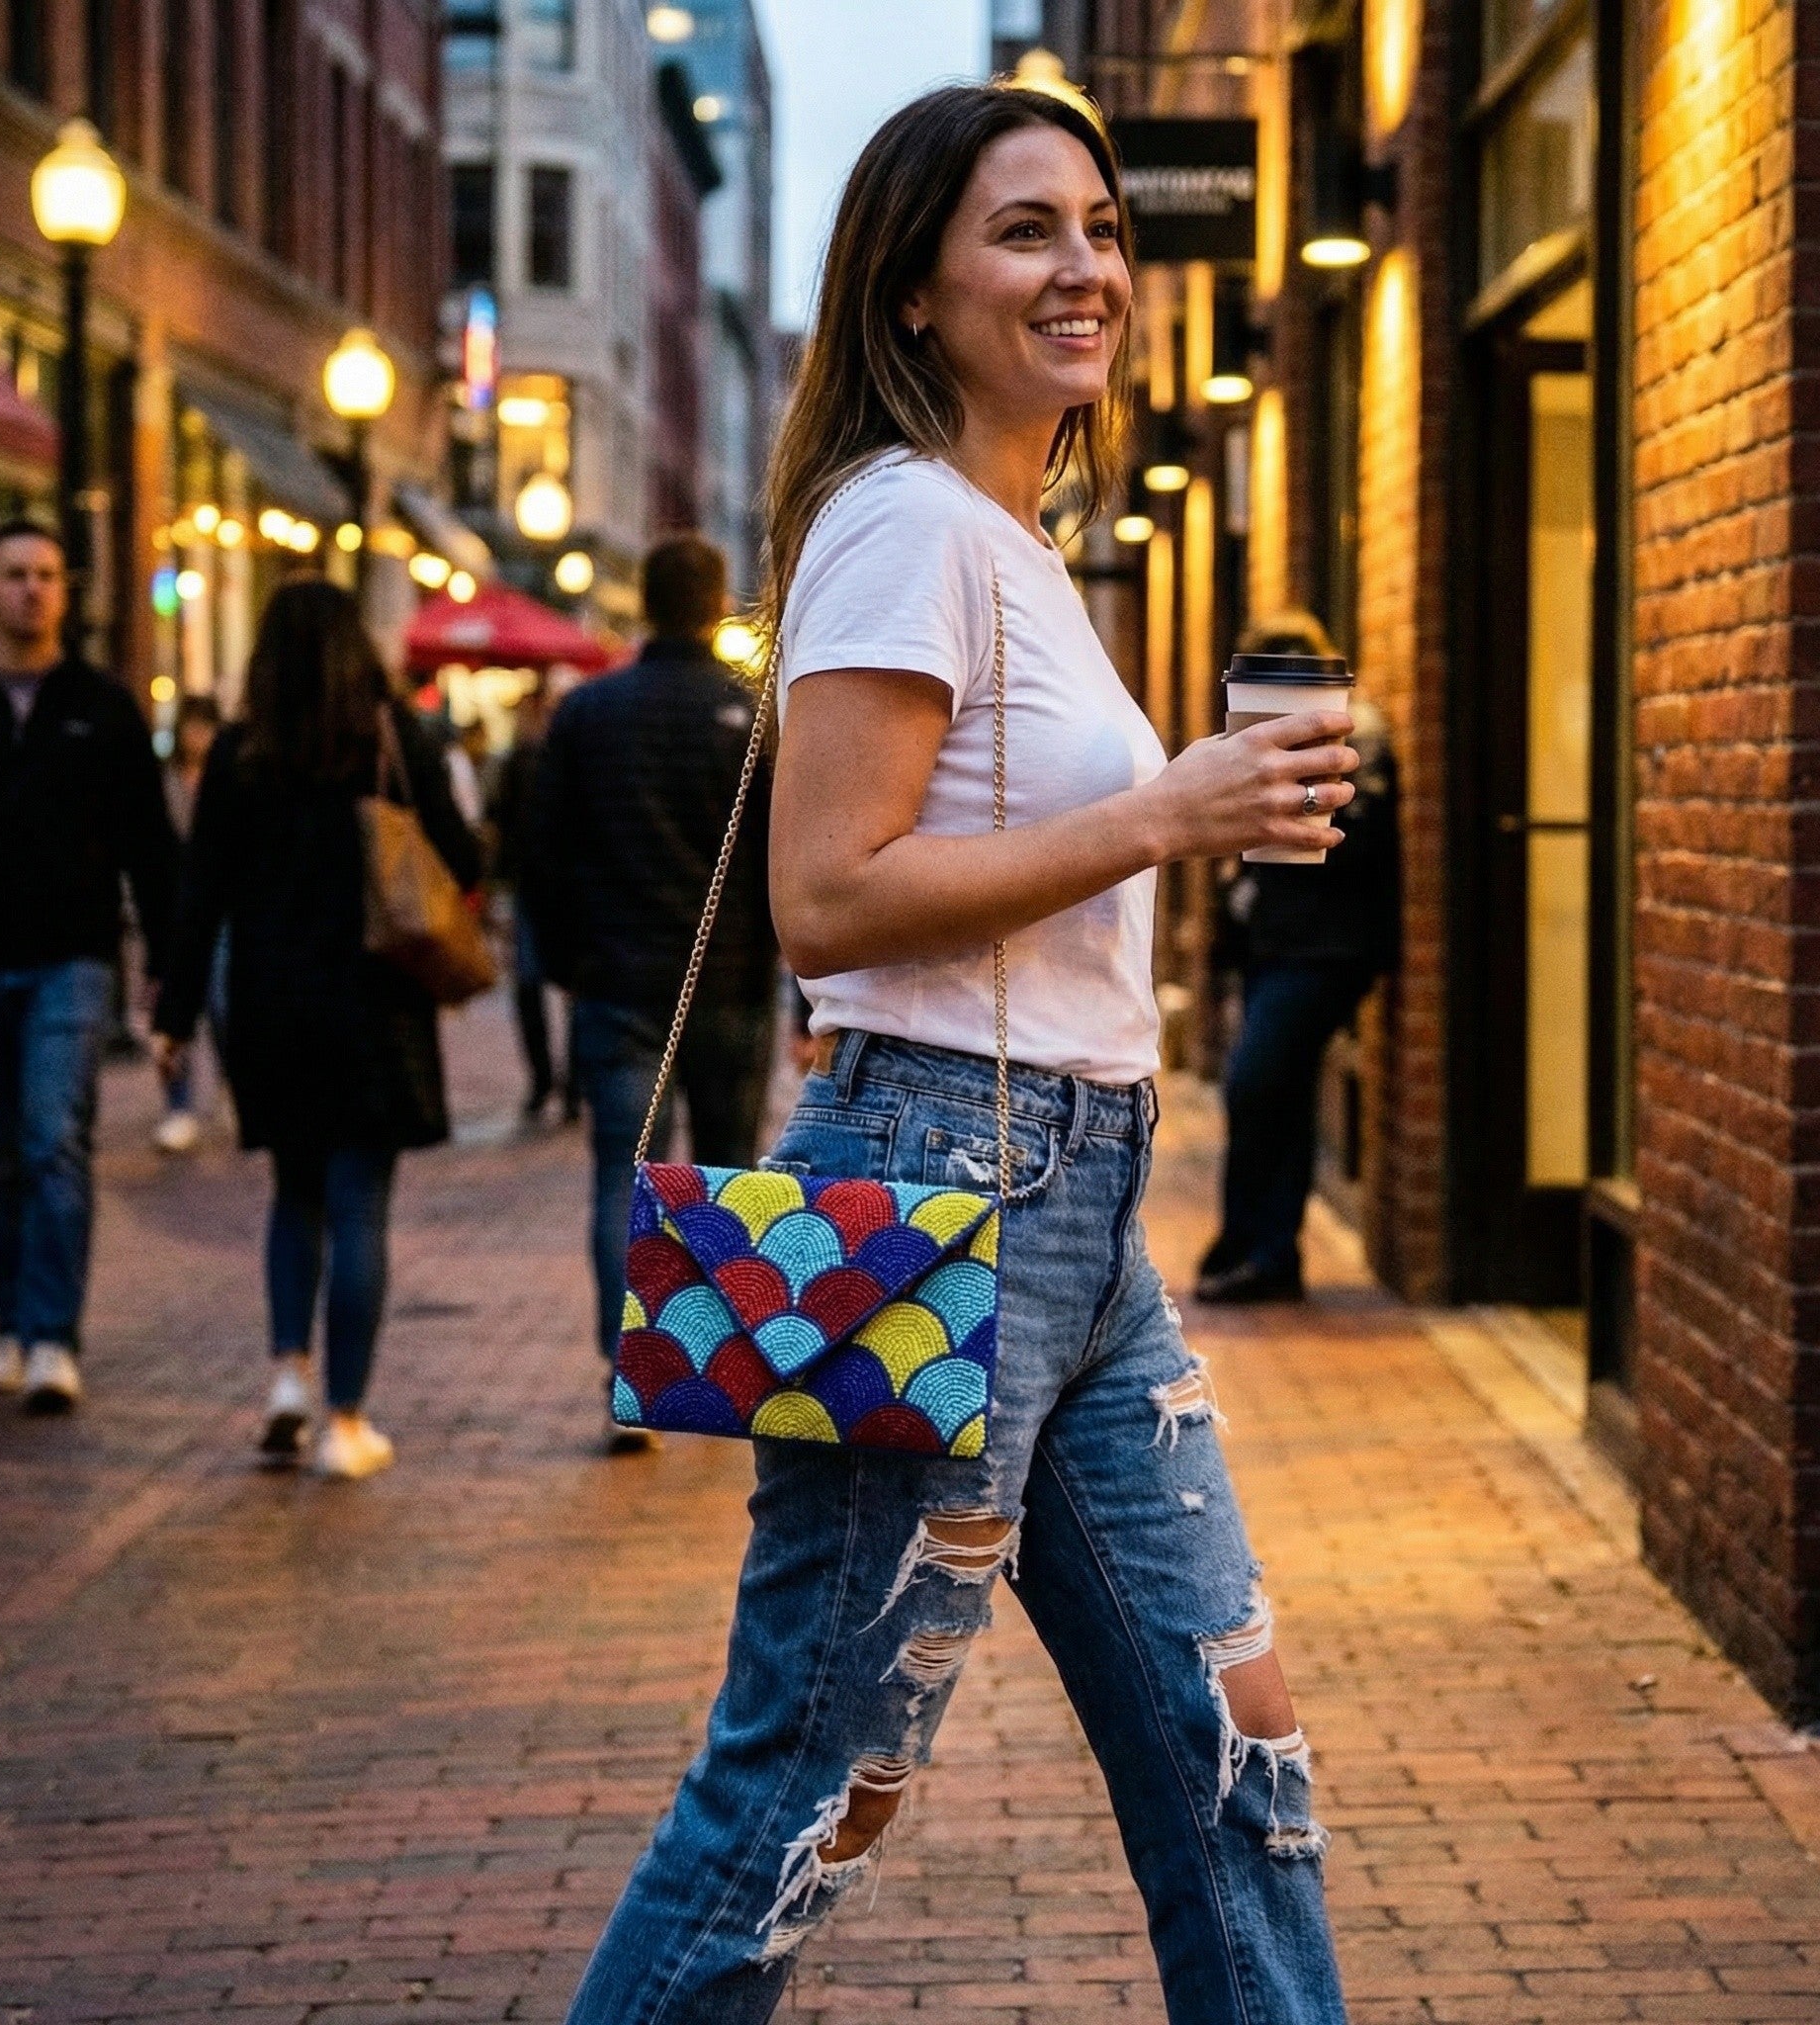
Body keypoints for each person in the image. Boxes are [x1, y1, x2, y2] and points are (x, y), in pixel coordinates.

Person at [565, 83, 1357, 2024]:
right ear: (914, 290)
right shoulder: (904, 522)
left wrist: (1193, 808)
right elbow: (824, 899)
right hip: (934, 1188)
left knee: (1233, 1755)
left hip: (1075, 1211)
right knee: (811, 1780)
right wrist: (1166, 815)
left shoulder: (1013, 544)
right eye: (1024, 230)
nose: (1083, 264)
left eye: (1100, 224)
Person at [152, 581, 481, 1479]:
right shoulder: (388, 737)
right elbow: (464, 853)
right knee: (359, 1204)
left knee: (294, 1194)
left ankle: (289, 1374)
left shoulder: (238, 752)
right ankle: (346, 1420)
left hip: (267, 1006)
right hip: (374, 1007)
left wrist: (173, 1017)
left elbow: (199, 897)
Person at [523, 532, 778, 1448]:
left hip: (620, 987)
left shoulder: (590, 713)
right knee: (723, 1179)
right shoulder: (749, 715)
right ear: (716, 607)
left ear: (646, 600)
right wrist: (786, 989)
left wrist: (568, 962)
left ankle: (625, 1374)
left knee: (621, 1179)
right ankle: (715, 1371)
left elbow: (541, 855)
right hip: (728, 987)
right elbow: (772, 864)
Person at [0, 521, 178, 1412]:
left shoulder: (102, 705)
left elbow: (151, 846)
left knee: (54, 1136)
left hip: (74, 958)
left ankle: (54, 1336)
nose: (32, 591)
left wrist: (167, 967)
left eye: (48, 576)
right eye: (16, 575)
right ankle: (11, 1326)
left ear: (67, 590)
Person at [1196, 612, 1401, 1304]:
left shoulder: (1356, 736)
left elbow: (1356, 844)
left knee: (1256, 1084)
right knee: (1269, 1093)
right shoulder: (1267, 739)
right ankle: (1254, 1247)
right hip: (1275, 941)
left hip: (1327, 947)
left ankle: (1262, 1246)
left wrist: (1294, 798)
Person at [487, 675, 572, 1121]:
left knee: (531, 985)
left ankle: (546, 1082)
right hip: (558, 888)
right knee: (554, 988)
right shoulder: (542, 758)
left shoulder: (522, 759)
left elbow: (499, 823)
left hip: (532, 886)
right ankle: (564, 1085)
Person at [154, 695, 224, 1154]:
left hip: (220, 913)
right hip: (173, 913)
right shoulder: (166, 784)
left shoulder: (228, 781)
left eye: (206, 728)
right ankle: (179, 1106)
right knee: (174, 1011)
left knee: (222, 1006)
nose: (198, 737)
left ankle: (232, 1088)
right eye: (191, 727)